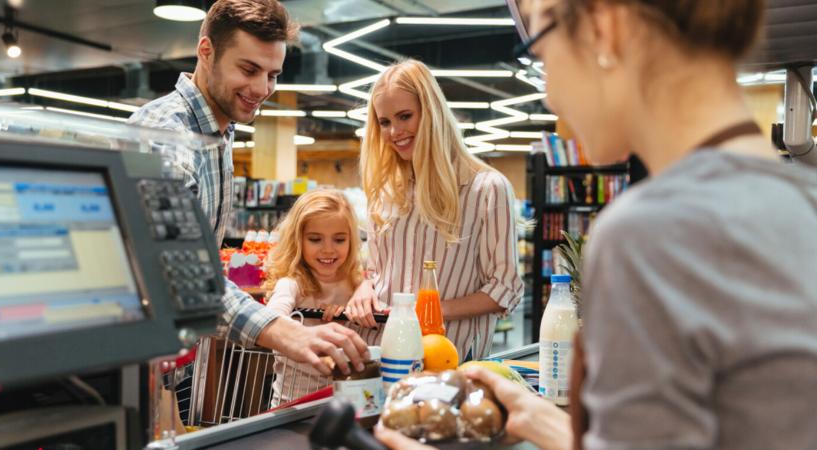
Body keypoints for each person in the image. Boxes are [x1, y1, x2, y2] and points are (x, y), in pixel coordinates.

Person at [377, 0, 817, 449]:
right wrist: (545, 423)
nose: (550, 94)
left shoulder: (648, 231)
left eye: (543, 51)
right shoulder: (802, 200)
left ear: (604, 28)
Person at [129, 0, 367, 376]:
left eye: (272, 74)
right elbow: (179, 272)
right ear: (206, 51)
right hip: (134, 361)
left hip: (169, 358)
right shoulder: (166, 139)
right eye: (249, 69)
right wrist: (281, 331)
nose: (262, 88)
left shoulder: (217, 133)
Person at [347, 59, 524, 361]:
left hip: (446, 356)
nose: (394, 131)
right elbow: (377, 271)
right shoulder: (386, 191)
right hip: (382, 348)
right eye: (385, 122)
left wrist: (432, 310)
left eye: (405, 116)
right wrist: (364, 288)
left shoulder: (485, 188)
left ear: (431, 112)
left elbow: (506, 287)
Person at [262, 189, 365, 406]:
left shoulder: (356, 285)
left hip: (347, 401)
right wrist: (314, 332)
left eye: (339, 239)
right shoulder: (292, 283)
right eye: (315, 239)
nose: (328, 249)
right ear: (297, 240)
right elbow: (271, 317)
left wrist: (349, 313)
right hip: (292, 404)